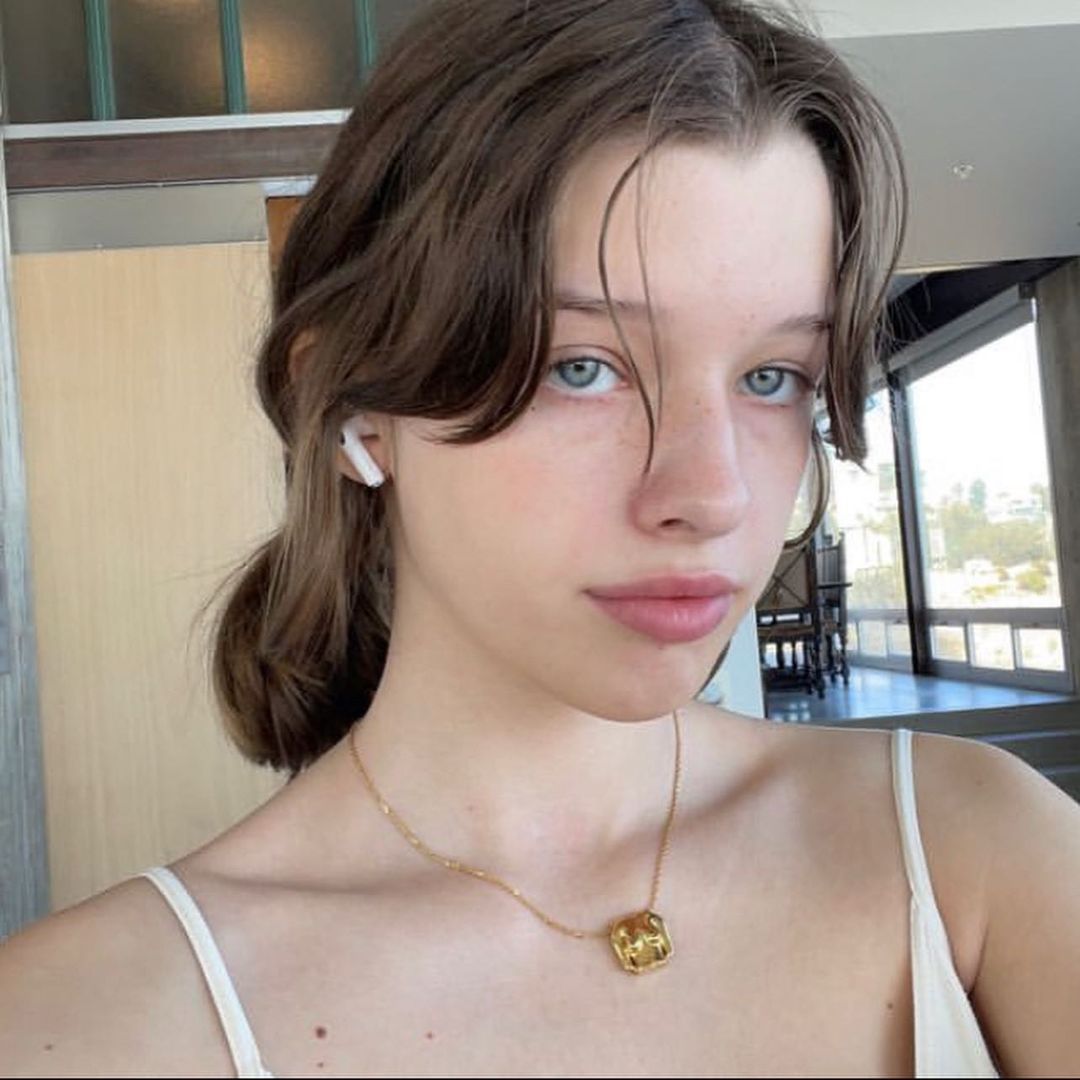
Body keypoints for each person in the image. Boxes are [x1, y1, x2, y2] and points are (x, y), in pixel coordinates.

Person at [2, 1, 1078, 1075]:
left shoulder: (976, 852)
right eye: (583, 367)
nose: (711, 495)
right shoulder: (85, 1022)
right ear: (356, 409)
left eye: (771, 377)